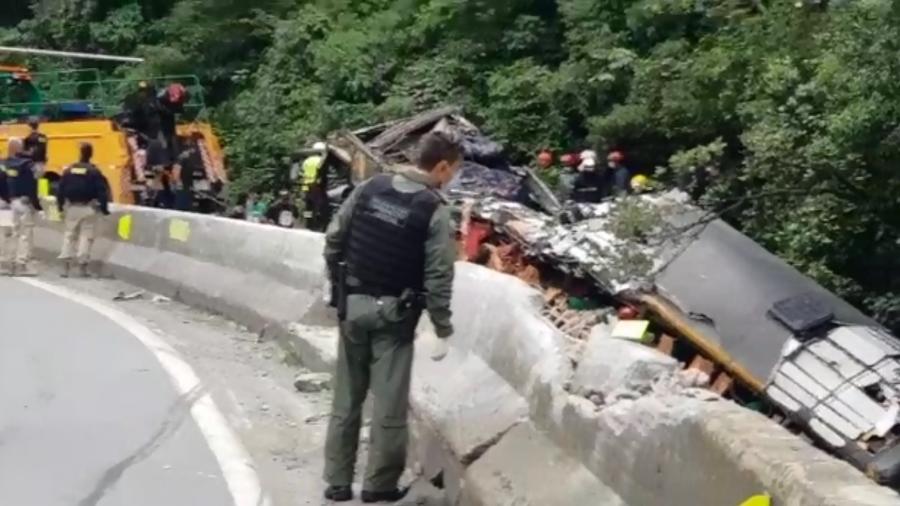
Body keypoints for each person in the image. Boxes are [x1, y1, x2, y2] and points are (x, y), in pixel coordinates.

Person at [321, 131, 461, 503]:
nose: (452, 178)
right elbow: (438, 275)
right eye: (454, 171)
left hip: (352, 306)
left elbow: (334, 238)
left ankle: (337, 483)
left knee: (346, 397)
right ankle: (377, 486)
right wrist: (442, 326)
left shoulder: (370, 187)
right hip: (394, 318)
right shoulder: (433, 209)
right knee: (388, 404)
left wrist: (338, 286)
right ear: (442, 166)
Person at [57, 143, 110, 278]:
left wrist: (60, 206)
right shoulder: (94, 171)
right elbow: (102, 191)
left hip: (72, 207)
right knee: (86, 237)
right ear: (91, 154)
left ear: (79, 153)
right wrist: (104, 208)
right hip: (88, 208)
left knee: (69, 236)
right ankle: (82, 268)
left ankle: (64, 268)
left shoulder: (69, 169)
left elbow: (60, 189)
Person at [0, 137, 41, 276]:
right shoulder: (27, 164)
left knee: (7, 234)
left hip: (6, 203)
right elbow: (32, 186)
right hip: (23, 203)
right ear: (20, 148)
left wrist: (7, 199)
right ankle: (21, 265)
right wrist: (36, 205)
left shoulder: (3, 164)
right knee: (24, 235)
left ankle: (5, 264)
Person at [301, 142, 329, 231]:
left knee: (308, 206)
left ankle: (308, 222)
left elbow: (302, 173)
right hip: (316, 186)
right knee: (319, 205)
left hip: (306, 187)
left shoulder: (306, 161)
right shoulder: (321, 160)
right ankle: (318, 223)